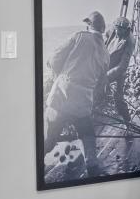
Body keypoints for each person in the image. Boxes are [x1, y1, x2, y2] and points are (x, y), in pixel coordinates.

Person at [44, 11, 108, 177]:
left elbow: (54, 59)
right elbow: (102, 84)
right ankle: (92, 165)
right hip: (83, 102)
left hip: (60, 98)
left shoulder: (79, 36)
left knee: (50, 137)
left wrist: (61, 76)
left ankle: (34, 164)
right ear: (103, 29)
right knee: (87, 133)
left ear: (88, 25)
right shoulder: (105, 53)